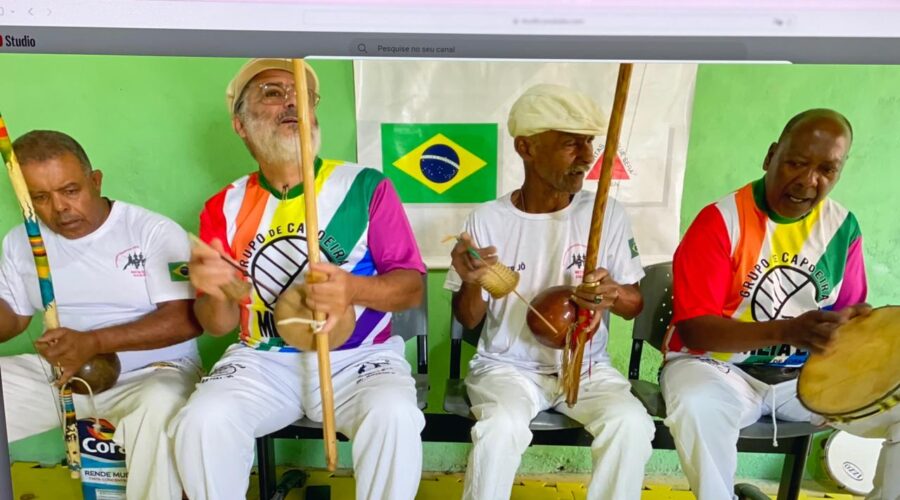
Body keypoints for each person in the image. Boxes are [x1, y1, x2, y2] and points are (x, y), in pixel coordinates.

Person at [169, 58, 426, 500]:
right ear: (240, 124)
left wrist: (352, 288)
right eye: (272, 92)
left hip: (358, 358)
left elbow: (411, 287)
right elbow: (216, 324)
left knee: (394, 415)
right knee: (201, 421)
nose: (292, 102)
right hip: (263, 361)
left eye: (302, 96)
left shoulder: (364, 187)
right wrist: (216, 288)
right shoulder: (223, 207)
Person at [662, 108, 897, 500]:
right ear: (771, 157)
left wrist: (851, 322)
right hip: (716, 368)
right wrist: (788, 331)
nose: (808, 181)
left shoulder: (842, 227)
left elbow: (852, 309)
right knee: (696, 404)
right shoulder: (721, 221)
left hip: (805, 379)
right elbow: (695, 328)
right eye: (797, 163)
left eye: (827, 169)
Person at [445, 83, 655, 500]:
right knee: (499, 429)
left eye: (589, 144)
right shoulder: (487, 219)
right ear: (526, 148)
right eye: (569, 145)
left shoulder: (605, 213)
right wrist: (471, 278)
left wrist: (612, 294)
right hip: (506, 368)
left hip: (586, 367)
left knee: (631, 425)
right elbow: (468, 319)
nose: (586, 157)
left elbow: (634, 304)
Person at [0, 130, 202, 500]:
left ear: (95, 181)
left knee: (161, 405)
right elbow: (12, 318)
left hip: (152, 373)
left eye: (70, 190)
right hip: (61, 376)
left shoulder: (151, 232)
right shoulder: (21, 241)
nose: (59, 208)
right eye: (40, 198)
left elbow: (187, 320)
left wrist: (93, 341)